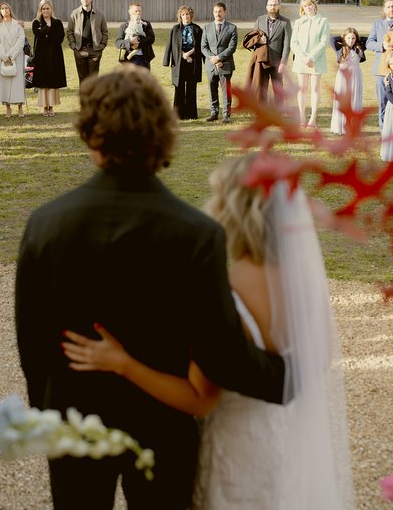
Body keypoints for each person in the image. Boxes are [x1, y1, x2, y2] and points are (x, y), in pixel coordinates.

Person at [15, 67, 286, 509]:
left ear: (90, 134)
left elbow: (33, 341)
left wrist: (49, 414)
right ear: (161, 133)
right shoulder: (196, 233)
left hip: (74, 416)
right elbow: (221, 353)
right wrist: (290, 378)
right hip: (163, 422)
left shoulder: (46, 224)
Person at [62, 153, 355, 509]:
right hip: (292, 448)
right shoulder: (308, 285)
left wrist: (123, 363)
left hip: (238, 454)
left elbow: (201, 397)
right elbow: (312, 369)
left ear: (232, 206)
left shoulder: (226, 288)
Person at [290, 0, 330, 127]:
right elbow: (294, 42)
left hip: (316, 60)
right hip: (301, 60)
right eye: (305, 6)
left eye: (310, 4)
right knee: (302, 89)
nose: (308, 7)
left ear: (314, 5)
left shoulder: (323, 21)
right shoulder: (299, 22)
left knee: (314, 89)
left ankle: (313, 118)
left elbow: (323, 42)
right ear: (302, 8)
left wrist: (311, 57)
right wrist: (302, 57)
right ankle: (302, 118)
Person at [366, 0, 393, 126]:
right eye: (388, 7)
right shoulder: (378, 24)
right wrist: (382, 45)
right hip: (381, 68)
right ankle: (384, 130)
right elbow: (369, 43)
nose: (391, 9)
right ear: (384, 8)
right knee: (383, 100)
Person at [163, 5, 203, 120]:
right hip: (178, 62)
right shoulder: (175, 29)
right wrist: (170, 59)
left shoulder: (197, 29)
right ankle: (178, 114)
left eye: (188, 14)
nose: (186, 16)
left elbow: (200, 46)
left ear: (191, 15)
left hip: (192, 61)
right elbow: (171, 46)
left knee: (191, 88)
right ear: (180, 16)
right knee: (179, 87)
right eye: (183, 14)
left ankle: (191, 114)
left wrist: (189, 55)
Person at [202, 2, 238, 124]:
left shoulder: (232, 28)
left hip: (225, 64)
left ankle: (226, 115)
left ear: (224, 12)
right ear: (213, 13)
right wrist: (213, 59)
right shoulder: (207, 28)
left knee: (225, 90)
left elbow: (232, 47)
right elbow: (203, 47)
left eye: (220, 11)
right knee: (212, 89)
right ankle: (214, 113)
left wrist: (219, 58)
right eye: (216, 11)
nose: (218, 13)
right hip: (211, 65)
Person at [31, 0, 66, 118]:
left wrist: (47, 33)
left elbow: (60, 38)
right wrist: (47, 28)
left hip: (54, 56)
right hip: (41, 57)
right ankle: (45, 107)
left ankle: (51, 106)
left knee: (52, 82)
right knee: (43, 83)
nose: (45, 10)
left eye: (47, 8)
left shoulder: (58, 22)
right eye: (43, 8)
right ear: (40, 10)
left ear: (51, 9)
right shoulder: (36, 22)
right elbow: (39, 35)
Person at [252, 0, 290, 104]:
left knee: (278, 88)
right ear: (267, 7)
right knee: (262, 87)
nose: (272, 7)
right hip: (262, 60)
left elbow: (287, 44)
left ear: (279, 6)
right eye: (270, 5)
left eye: (275, 5)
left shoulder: (285, 22)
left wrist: (283, 62)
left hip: (277, 62)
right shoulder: (260, 20)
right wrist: (259, 41)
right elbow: (252, 38)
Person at [0, 2, 27, 117]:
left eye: (6, 8)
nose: (4, 10)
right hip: (3, 58)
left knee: (18, 83)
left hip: (16, 57)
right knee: (5, 83)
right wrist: (4, 56)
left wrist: (11, 55)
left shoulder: (17, 24)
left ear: (10, 10)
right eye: (2, 8)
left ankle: (20, 107)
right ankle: (7, 107)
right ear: (0, 12)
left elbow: (21, 40)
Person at [67, 0, 108, 83]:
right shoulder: (74, 14)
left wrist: (102, 45)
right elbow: (69, 31)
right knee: (82, 79)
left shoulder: (100, 14)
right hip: (80, 50)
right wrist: (74, 46)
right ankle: (84, 98)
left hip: (95, 50)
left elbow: (105, 31)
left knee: (93, 79)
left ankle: (93, 98)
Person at [330, 27, 363, 135]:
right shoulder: (340, 48)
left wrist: (357, 38)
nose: (351, 40)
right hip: (344, 76)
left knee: (354, 99)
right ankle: (341, 126)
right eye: (349, 38)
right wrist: (343, 38)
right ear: (344, 38)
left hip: (355, 76)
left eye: (353, 38)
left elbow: (367, 39)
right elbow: (331, 39)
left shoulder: (359, 48)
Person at [115, 3, 155, 69]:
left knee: (144, 79)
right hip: (128, 60)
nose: (138, 13)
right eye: (136, 11)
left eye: (140, 11)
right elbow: (118, 42)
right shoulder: (124, 26)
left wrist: (139, 44)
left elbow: (151, 38)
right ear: (130, 13)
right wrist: (130, 42)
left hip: (144, 59)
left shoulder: (146, 24)